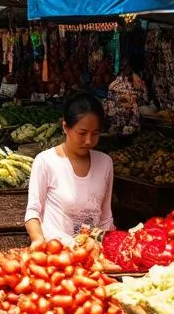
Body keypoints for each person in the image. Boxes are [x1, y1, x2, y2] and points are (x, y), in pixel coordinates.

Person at [25, 92, 114, 247]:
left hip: (93, 254)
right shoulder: (45, 161)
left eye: (95, 134)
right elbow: (33, 212)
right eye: (82, 133)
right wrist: (38, 240)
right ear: (65, 127)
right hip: (57, 254)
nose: (88, 140)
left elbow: (106, 217)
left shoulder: (105, 163)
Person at [105, 52, 149, 136]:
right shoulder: (118, 83)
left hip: (128, 121)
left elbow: (142, 100)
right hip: (120, 120)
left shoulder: (139, 83)